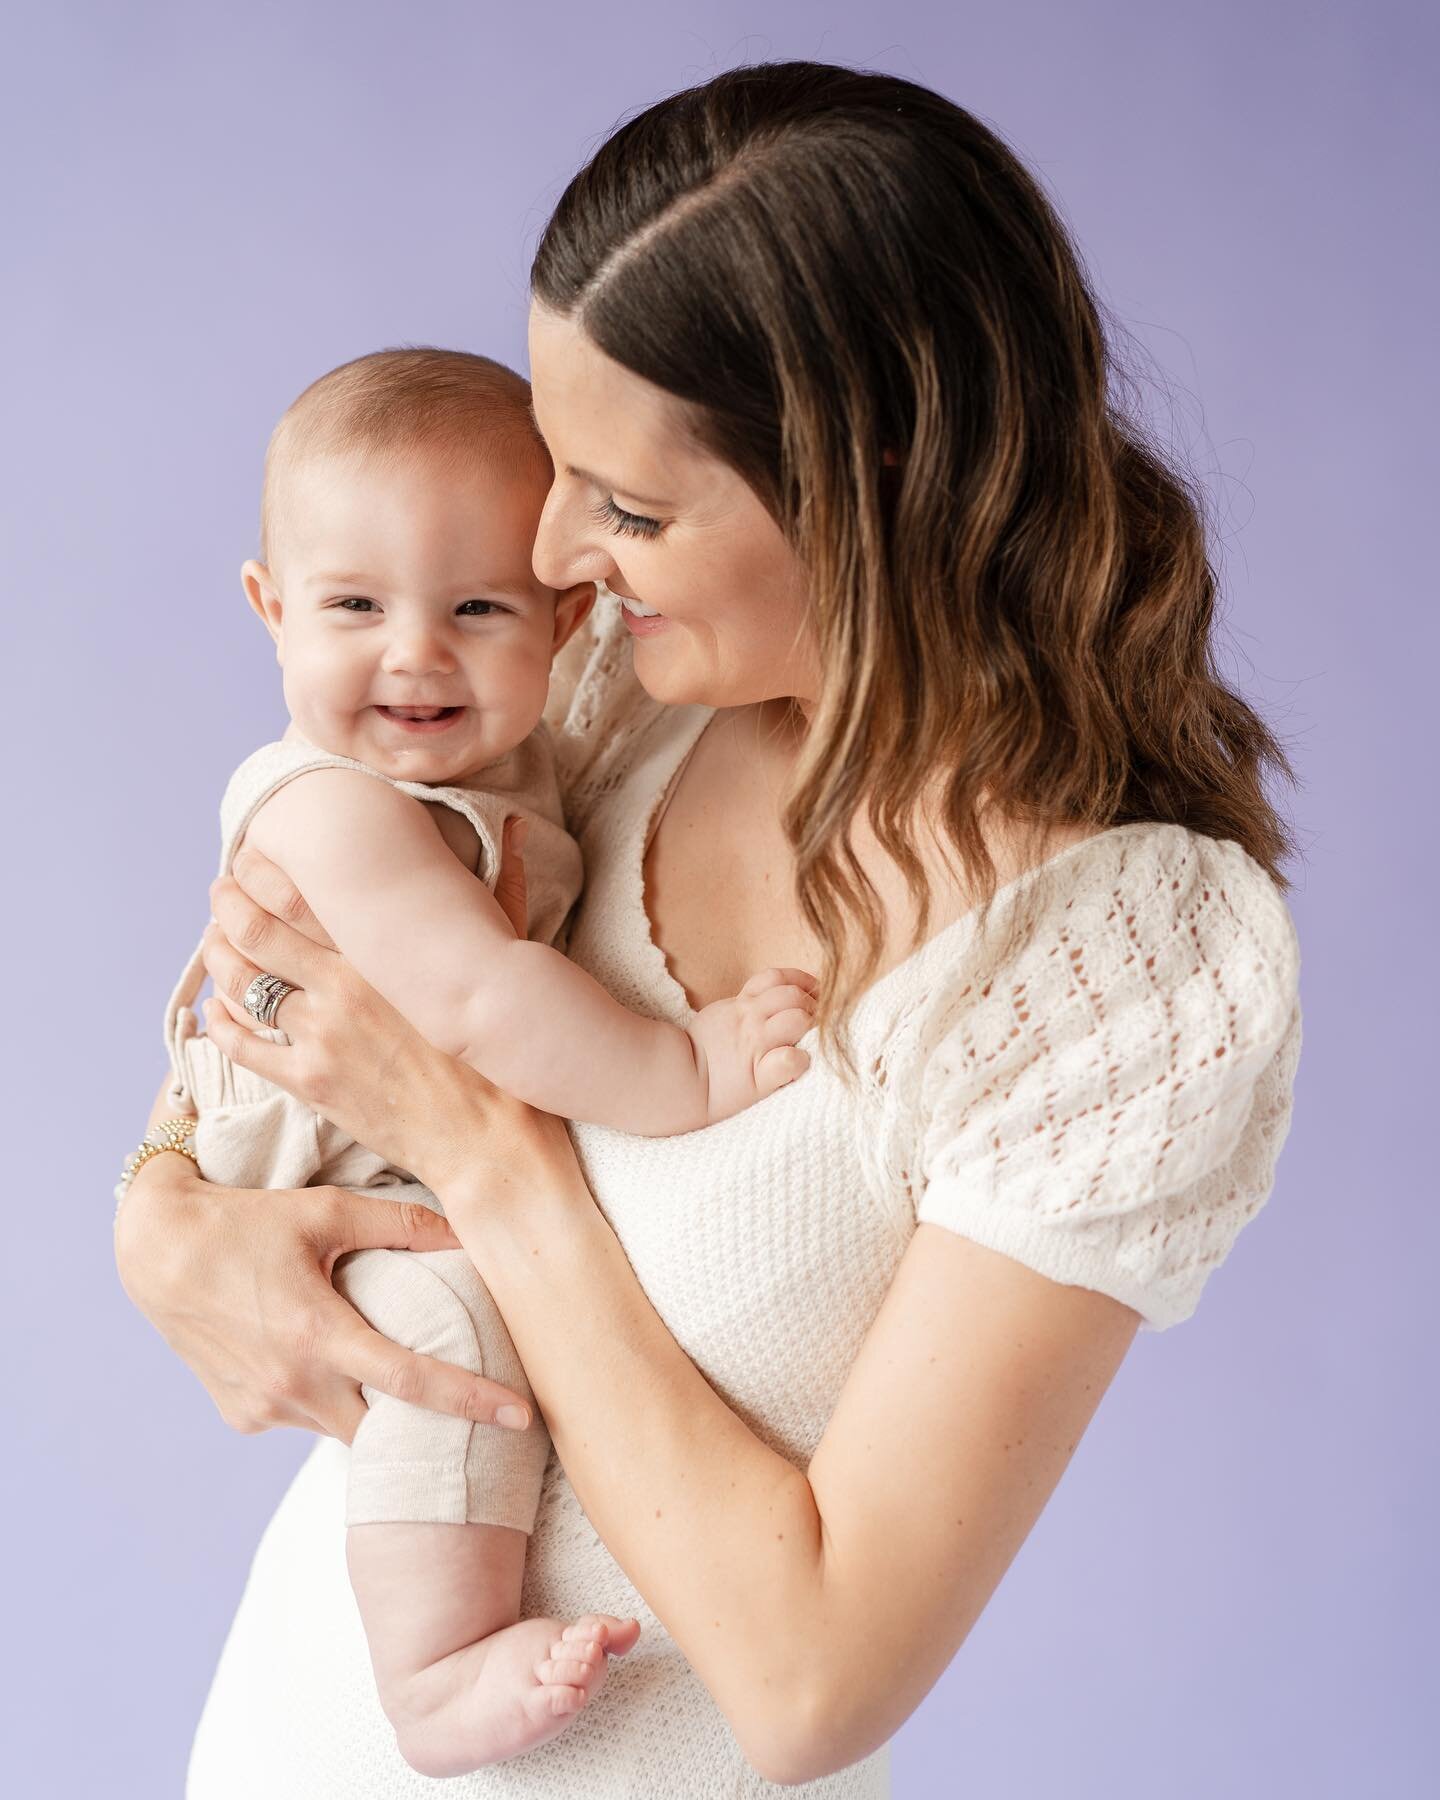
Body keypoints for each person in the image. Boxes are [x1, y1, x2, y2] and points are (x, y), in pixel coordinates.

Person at [115, 60, 1303, 1799]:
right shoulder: (600, 698)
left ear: (873, 477)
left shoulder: (1119, 956)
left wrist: (491, 1152)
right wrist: (159, 1217)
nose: (553, 549)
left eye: (634, 505)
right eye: (561, 468)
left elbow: (814, 1680)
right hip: (295, 1730)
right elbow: (272, 1020)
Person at [132, 344, 822, 1774]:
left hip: (370, 1152)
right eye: (355, 607)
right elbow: (484, 998)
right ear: (269, 610)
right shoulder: (341, 810)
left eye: (476, 608)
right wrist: (686, 1069)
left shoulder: (526, 759)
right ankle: (434, 1670)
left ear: (564, 623)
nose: (415, 654)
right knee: (443, 1331)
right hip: (336, 1182)